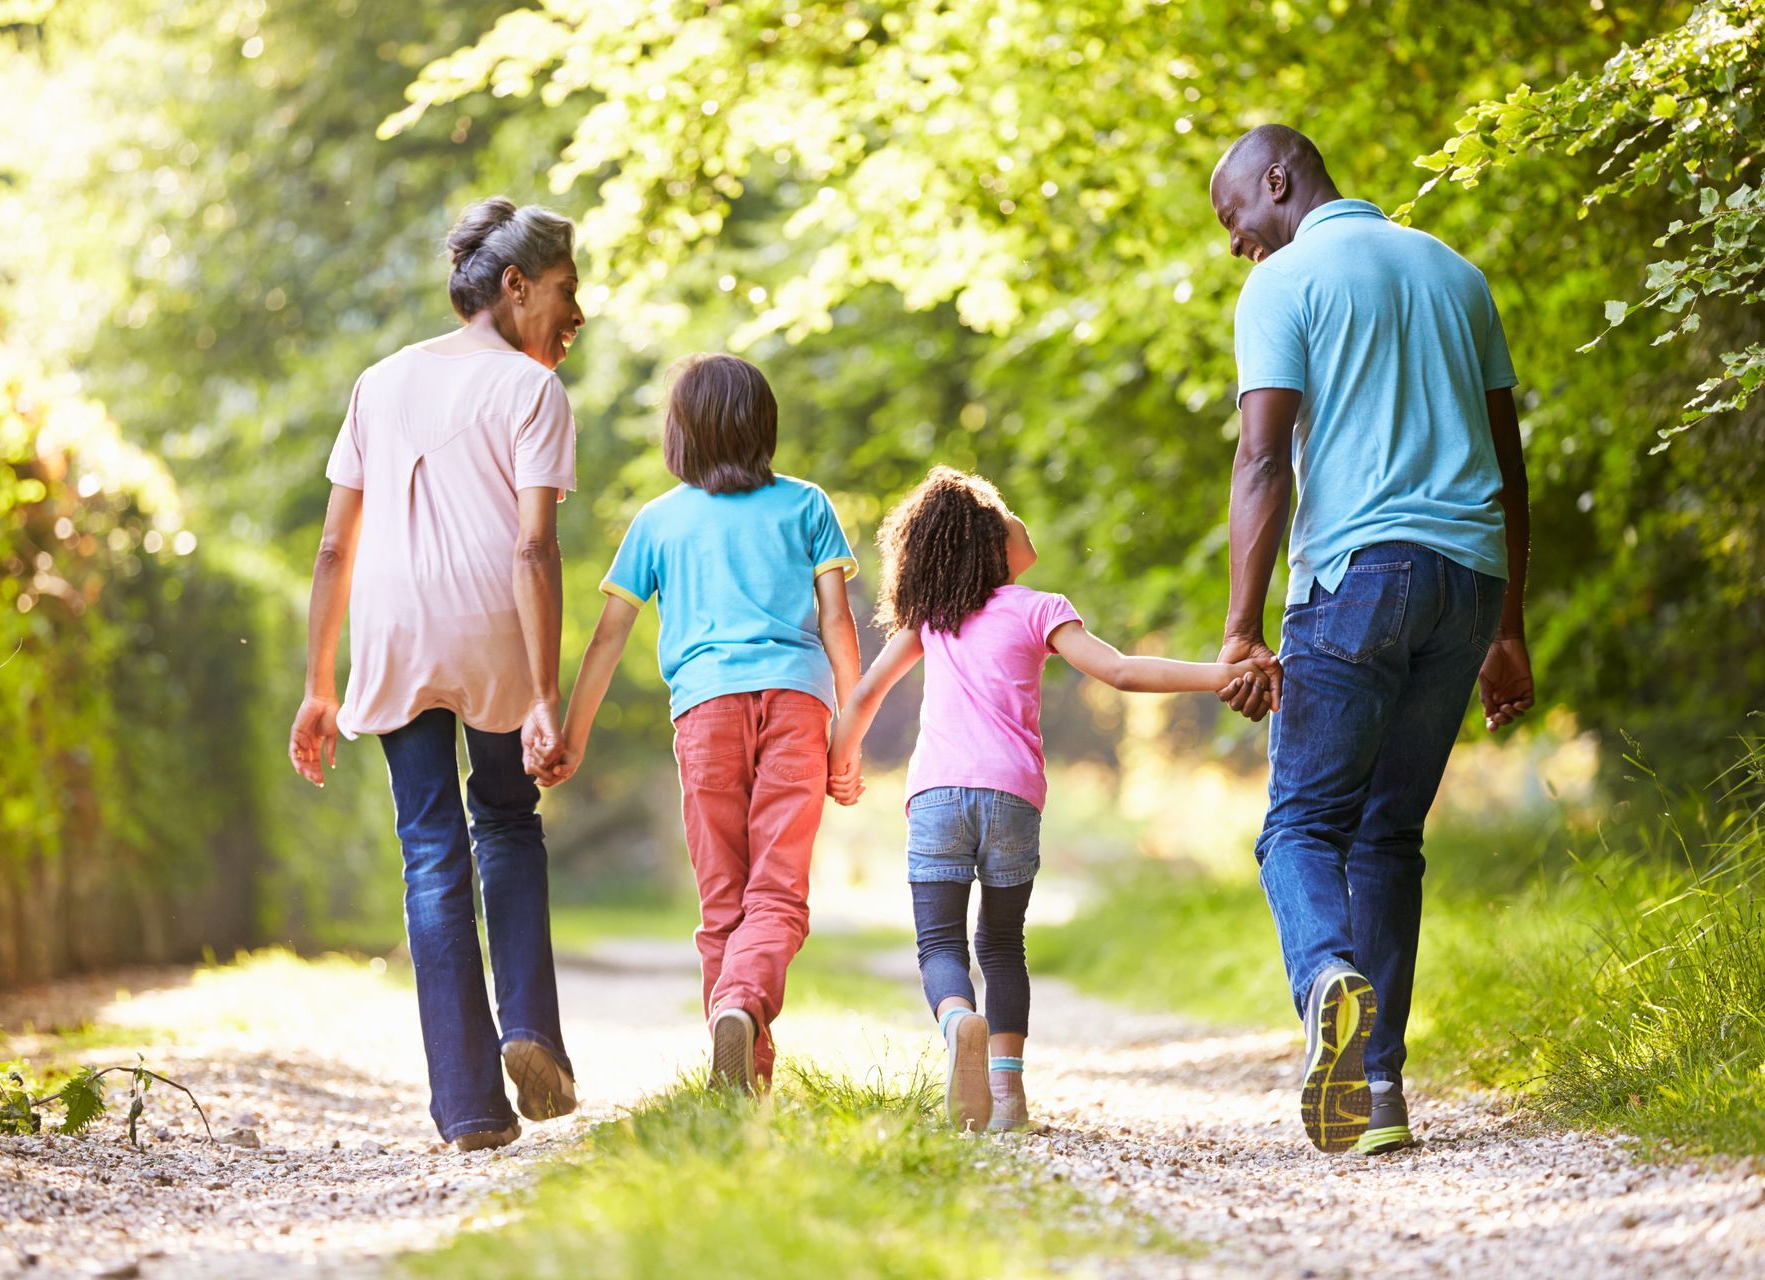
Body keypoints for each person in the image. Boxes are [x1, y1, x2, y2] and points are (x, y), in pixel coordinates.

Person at [1209, 125, 1534, 1154]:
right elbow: (1508, 461)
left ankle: (1326, 979)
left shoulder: (1283, 284)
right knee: (1389, 831)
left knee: (1298, 825)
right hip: (1469, 583)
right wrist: (1510, 623)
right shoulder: (1455, 271)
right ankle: (1377, 1091)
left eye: (1235, 217)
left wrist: (1238, 627)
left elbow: (1262, 463)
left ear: (1278, 180)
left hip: (1357, 577)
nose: (1234, 243)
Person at [825, 468, 1266, 1133]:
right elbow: (1119, 671)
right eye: (1004, 515)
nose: (1017, 521)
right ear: (990, 541)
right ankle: (1008, 1099)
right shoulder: (1039, 608)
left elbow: (862, 698)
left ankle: (956, 1024)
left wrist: (842, 762)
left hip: (938, 794)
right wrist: (1222, 675)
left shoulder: (932, 621)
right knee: (1001, 945)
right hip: (1011, 796)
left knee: (939, 942)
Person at [287, 197, 586, 1152]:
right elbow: (534, 550)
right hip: (489, 625)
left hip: (390, 629)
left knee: (429, 849)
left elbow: (335, 548)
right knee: (505, 817)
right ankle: (531, 1028)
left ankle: (466, 1106)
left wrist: (319, 684)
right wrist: (545, 695)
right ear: (515, 285)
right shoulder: (532, 393)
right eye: (565, 295)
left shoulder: (379, 381)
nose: (574, 318)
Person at [534, 353, 863, 1092]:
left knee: (724, 902)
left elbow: (608, 636)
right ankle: (742, 1022)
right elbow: (840, 628)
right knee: (777, 895)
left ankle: (740, 1072)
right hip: (798, 704)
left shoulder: (658, 520)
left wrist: (573, 735)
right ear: (763, 426)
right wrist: (851, 734)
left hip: (706, 712)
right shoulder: (807, 504)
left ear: (680, 435)